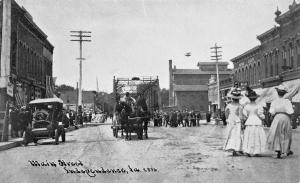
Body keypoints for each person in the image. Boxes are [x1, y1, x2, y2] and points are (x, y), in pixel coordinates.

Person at [266, 85, 294, 159]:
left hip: (277, 117)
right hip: (285, 117)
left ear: (277, 93)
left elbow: (271, 111)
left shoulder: (274, 102)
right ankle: (285, 150)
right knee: (285, 133)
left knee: (276, 133)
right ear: (284, 93)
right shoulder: (287, 101)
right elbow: (291, 111)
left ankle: (278, 149)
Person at [242, 90, 266, 157]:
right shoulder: (258, 105)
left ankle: (248, 150)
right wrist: (263, 118)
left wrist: (246, 119)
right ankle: (256, 151)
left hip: (249, 121)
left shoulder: (246, 106)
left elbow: (245, 115)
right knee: (257, 136)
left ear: (249, 98)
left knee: (249, 136)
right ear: (256, 98)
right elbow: (260, 114)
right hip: (256, 121)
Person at [223, 88, 243, 156]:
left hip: (231, 120)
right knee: (237, 134)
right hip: (237, 120)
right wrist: (242, 122)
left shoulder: (229, 105)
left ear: (232, 98)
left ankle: (231, 148)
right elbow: (240, 115)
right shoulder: (240, 106)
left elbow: (226, 113)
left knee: (230, 134)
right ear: (238, 99)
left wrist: (227, 119)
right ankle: (236, 148)